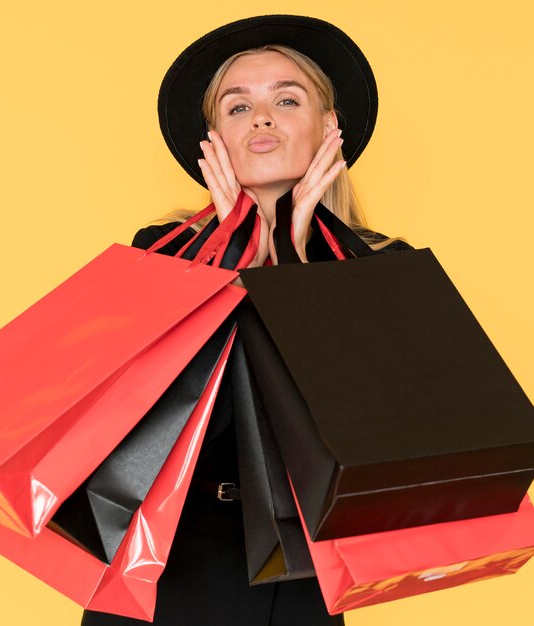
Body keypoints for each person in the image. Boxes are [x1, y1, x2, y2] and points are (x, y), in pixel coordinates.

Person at [82, 14, 410, 626]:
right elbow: (146, 429)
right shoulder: (157, 253)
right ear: (214, 139)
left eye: (287, 99)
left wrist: (292, 257)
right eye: (237, 107)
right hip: (159, 558)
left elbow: (361, 437)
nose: (261, 118)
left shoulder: (383, 268)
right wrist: (236, 252)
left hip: (307, 568)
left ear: (329, 127)